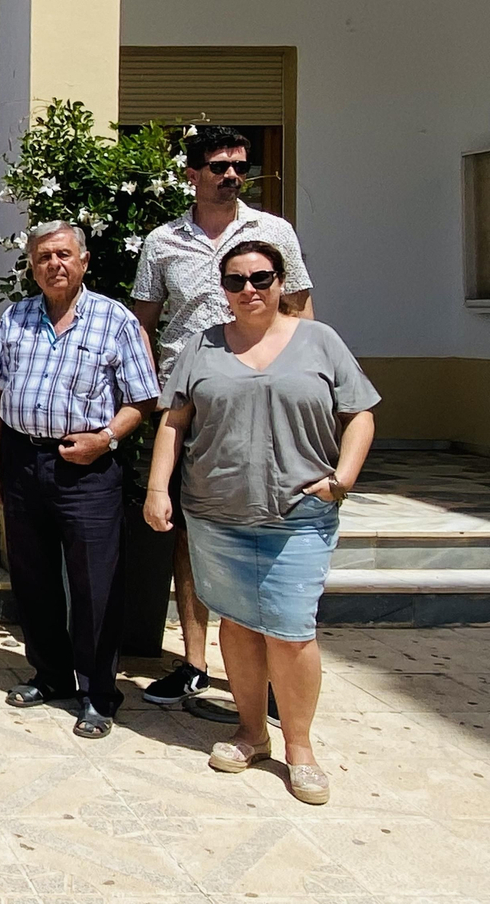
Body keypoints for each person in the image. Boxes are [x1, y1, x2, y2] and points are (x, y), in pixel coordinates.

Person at [144, 241, 376, 805]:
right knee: (240, 625)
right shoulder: (202, 345)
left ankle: (300, 748)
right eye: (235, 281)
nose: (249, 289)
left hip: (298, 513)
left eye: (261, 278)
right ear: (222, 289)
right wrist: (157, 488)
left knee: (292, 631)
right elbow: (175, 422)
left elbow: (360, 414)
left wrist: (342, 478)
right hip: (215, 511)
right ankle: (250, 733)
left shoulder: (320, 340)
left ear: (281, 282)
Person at [130, 126, 315, 708]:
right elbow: (144, 323)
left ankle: (266, 666)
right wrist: (145, 400)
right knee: (192, 535)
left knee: (269, 524)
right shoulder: (162, 242)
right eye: (217, 166)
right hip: (191, 405)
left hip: (265, 406)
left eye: (239, 165)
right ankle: (193, 660)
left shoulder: (273, 233)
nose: (231, 175)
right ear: (191, 174)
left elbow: (301, 313)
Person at [0, 221, 159, 739]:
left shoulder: (115, 319)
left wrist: (107, 438)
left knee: (95, 584)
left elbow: (141, 399)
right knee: (32, 578)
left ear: (83, 261)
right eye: (42, 258)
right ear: (31, 267)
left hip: (89, 467)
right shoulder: (16, 316)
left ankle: (99, 692)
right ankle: (51, 675)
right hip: (23, 461)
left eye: (63, 255)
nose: (54, 264)